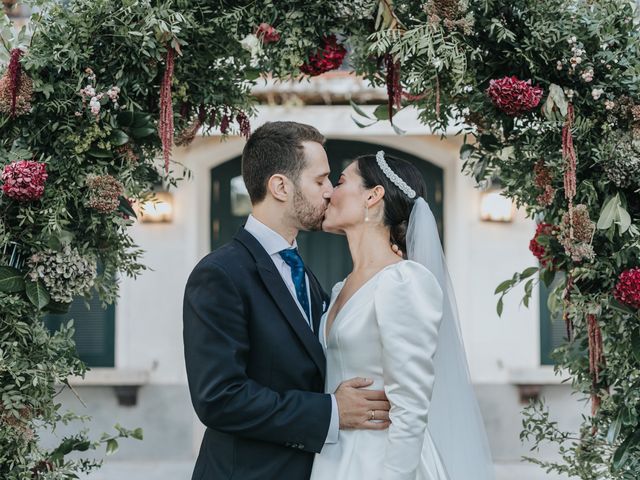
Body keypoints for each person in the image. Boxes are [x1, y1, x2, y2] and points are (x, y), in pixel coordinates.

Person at [182, 122, 394, 480]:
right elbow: (219, 398)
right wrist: (329, 411)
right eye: (320, 180)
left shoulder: (304, 274)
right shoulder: (220, 274)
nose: (330, 192)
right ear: (281, 186)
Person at [310, 151, 495, 480]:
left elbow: (410, 407)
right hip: (334, 458)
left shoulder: (403, 282)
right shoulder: (340, 289)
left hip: (383, 463)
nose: (328, 192)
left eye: (339, 182)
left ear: (373, 195)